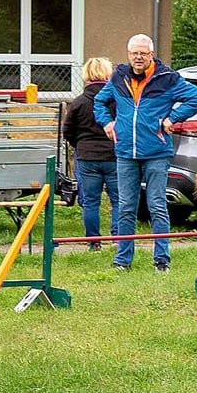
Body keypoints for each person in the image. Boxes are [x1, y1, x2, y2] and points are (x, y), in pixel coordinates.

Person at [94, 34, 197, 274]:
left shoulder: (168, 78)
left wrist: (173, 118)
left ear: (151, 55)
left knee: (156, 205)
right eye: (134, 53)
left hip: (157, 152)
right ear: (128, 55)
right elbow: (99, 102)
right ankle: (122, 261)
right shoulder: (118, 76)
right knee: (125, 207)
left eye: (143, 53)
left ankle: (162, 260)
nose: (138, 58)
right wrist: (106, 123)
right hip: (125, 152)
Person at [63, 57, 120, 251]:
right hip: (113, 155)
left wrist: (79, 145)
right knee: (118, 200)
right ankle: (118, 239)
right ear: (108, 74)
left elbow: (67, 131)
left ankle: (94, 243)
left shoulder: (78, 102)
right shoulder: (116, 101)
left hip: (87, 157)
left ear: (86, 75)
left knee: (90, 202)